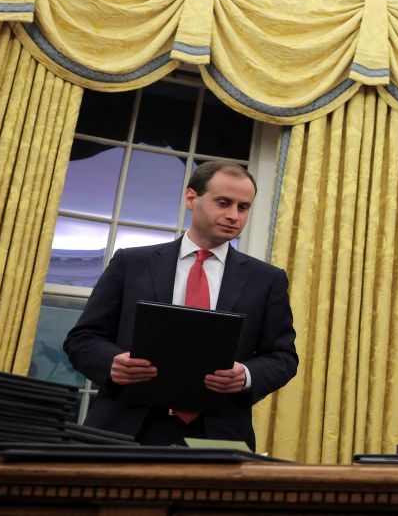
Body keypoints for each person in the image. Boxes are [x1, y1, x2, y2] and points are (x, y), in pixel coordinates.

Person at [64, 160, 298, 448]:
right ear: (191, 198)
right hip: (124, 428)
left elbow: (283, 357)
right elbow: (82, 340)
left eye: (243, 207)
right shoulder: (131, 263)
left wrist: (247, 376)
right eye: (223, 202)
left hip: (218, 434)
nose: (233, 216)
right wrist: (112, 364)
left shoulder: (267, 280)